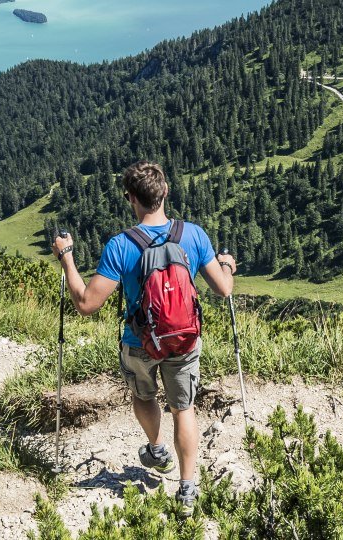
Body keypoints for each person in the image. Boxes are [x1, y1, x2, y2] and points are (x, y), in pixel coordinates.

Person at [53, 160, 237, 507]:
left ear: (131, 198)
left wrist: (66, 257)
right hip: (184, 339)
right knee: (184, 408)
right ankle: (187, 488)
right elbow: (224, 289)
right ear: (165, 193)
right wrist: (226, 265)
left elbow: (86, 303)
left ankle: (156, 450)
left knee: (144, 396)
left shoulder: (121, 246)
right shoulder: (193, 235)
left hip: (140, 342)